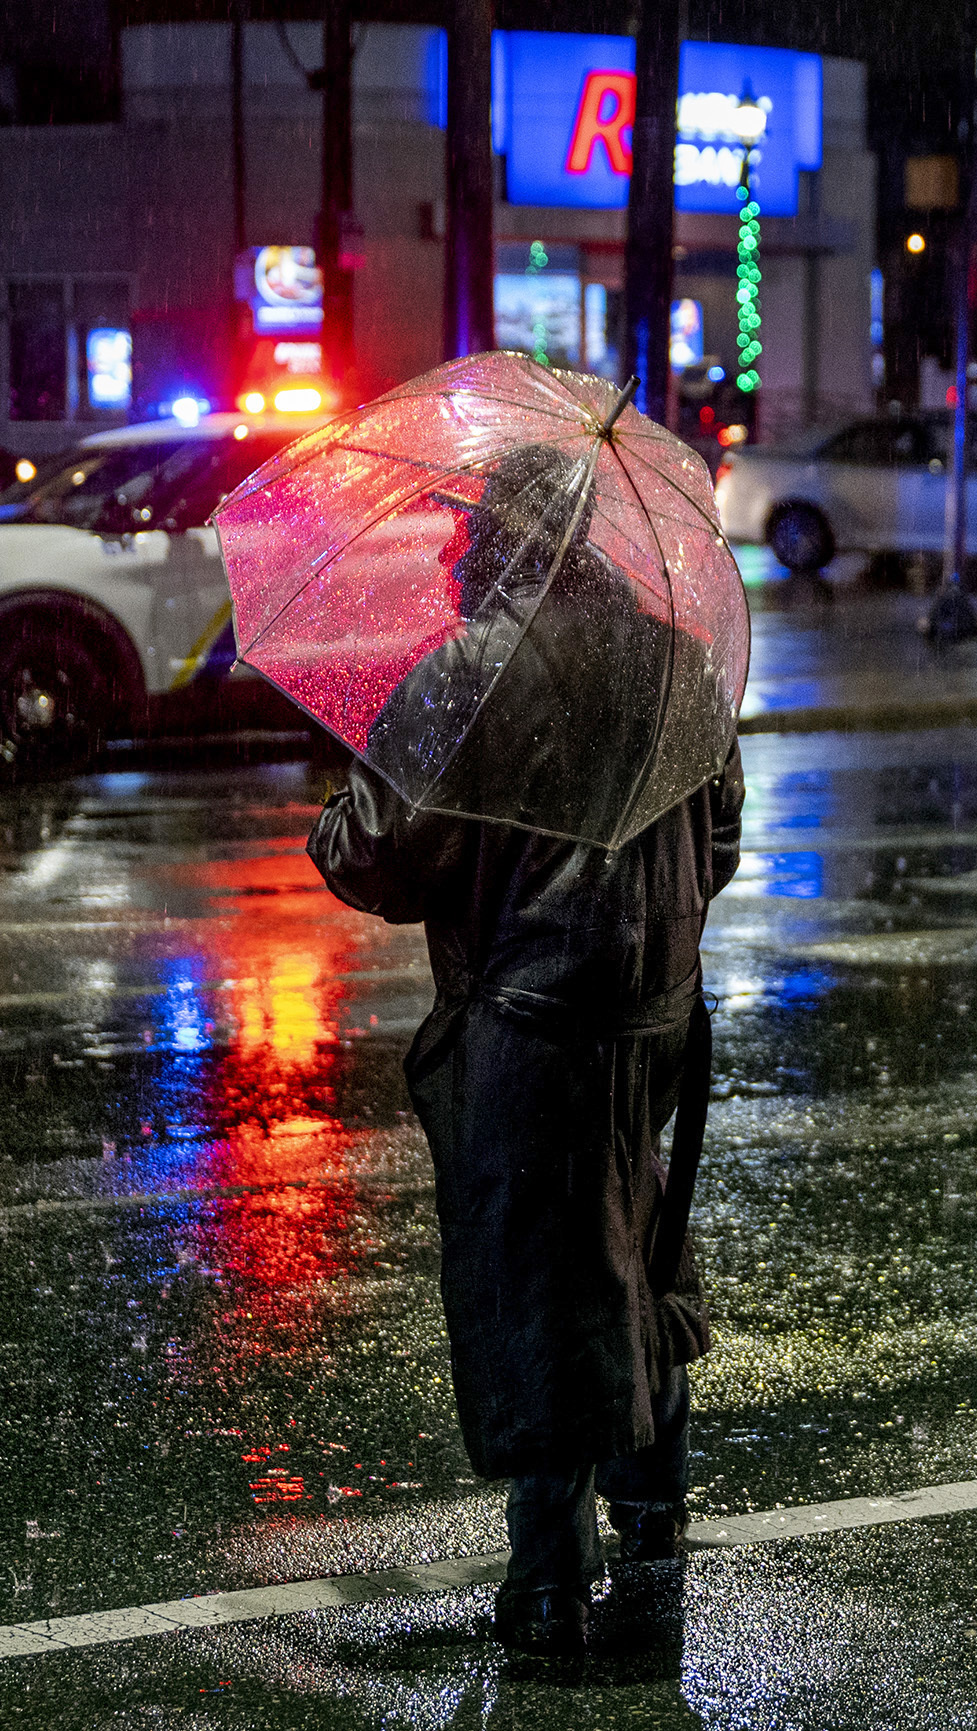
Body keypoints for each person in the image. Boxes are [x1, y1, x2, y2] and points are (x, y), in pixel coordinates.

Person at [310, 444, 745, 1658]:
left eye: (470, 535)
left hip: (525, 1031)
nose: (454, 555)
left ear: (513, 545)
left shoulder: (470, 673)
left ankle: (549, 1580)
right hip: (650, 1021)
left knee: (539, 1286)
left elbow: (375, 855)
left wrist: (343, 801)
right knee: (638, 1245)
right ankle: (655, 1500)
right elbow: (719, 842)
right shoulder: (681, 664)